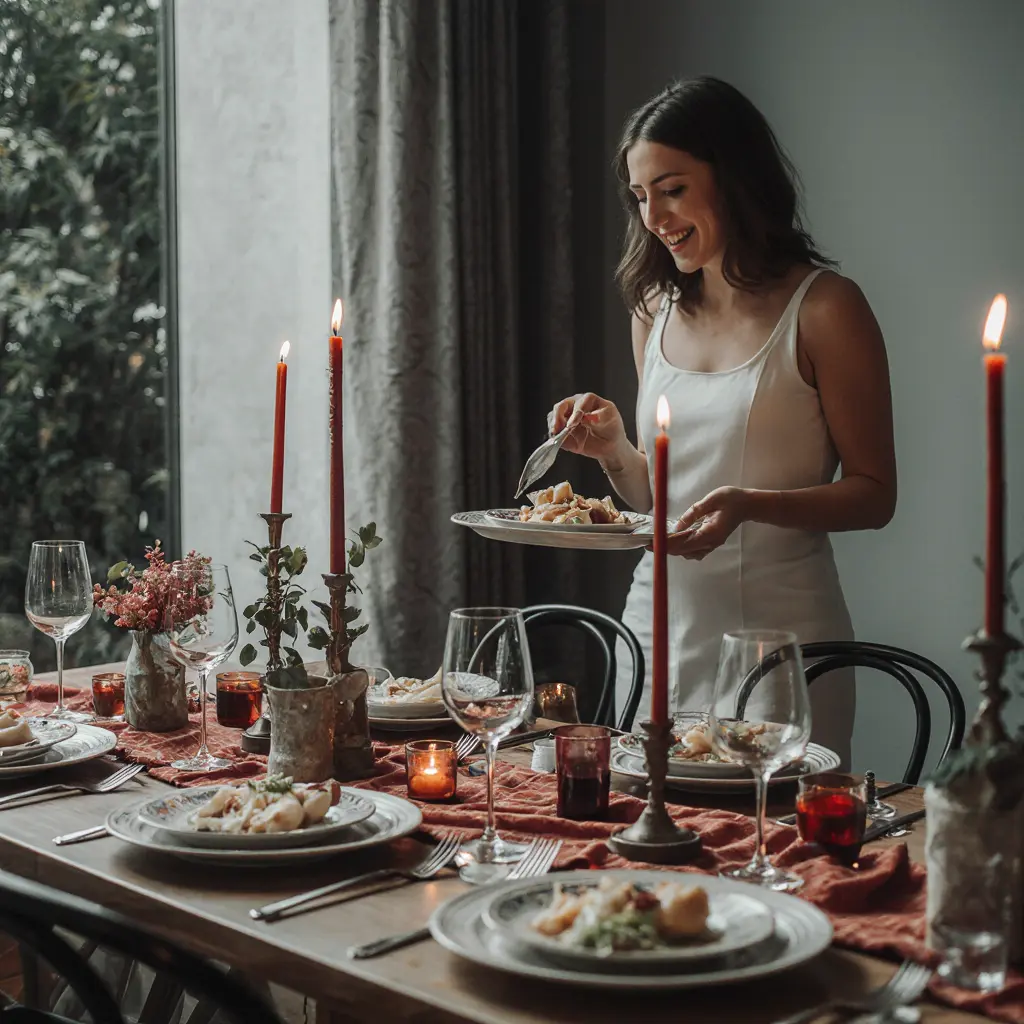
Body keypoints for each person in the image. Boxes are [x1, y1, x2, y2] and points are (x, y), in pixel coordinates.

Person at [548, 78, 896, 765]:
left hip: (781, 645)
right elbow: (659, 499)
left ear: (734, 177)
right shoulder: (653, 307)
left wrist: (748, 505)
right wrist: (616, 451)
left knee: (770, 855)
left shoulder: (826, 308)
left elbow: (875, 494)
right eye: (640, 196)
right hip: (655, 637)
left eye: (672, 189)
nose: (654, 216)